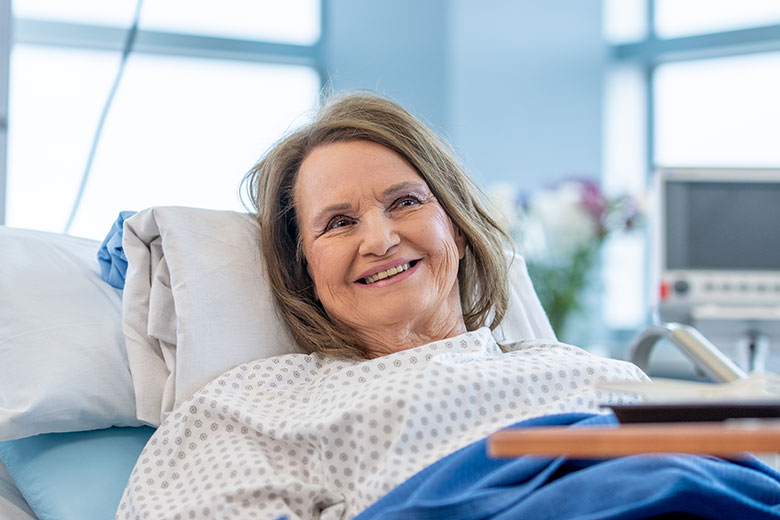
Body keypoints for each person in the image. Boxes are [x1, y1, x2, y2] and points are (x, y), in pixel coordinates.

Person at [116, 93, 780, 520]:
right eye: (339, 223)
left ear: (456, 231)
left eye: (406, 202)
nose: (380, 238)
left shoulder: (592, 375)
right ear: (305, 267)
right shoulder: (257, 406)